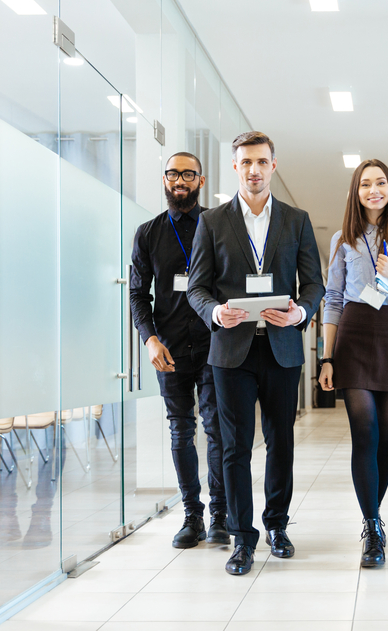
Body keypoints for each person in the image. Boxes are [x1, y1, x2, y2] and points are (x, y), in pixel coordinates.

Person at [187, 131, 324, 576]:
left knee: (281, 442)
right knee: (235, 447)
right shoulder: (212, 222)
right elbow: (196, 288)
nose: (254, 170)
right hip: (232, 351)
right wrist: (216, 311)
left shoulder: (296, 220)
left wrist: (301, 312)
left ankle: (277, 526)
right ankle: (242, 539)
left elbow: (314, 284)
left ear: (273, 165)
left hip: (282, 348)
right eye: (246, 162)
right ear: (235, 166)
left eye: (262, 161)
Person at [318, 159, 388, 568]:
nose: (373, 190)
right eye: (365, 184)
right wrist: (327, 357)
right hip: (355, 331)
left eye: (380, 183)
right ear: (356, 191)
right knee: (364, 431)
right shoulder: (343, 239)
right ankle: (372, 527)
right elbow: (333, 299)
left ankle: (373, 515)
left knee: (387, 437)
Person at [130, 151, 228, 549]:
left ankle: (220, 514)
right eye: (173, 174)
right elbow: (138, 294)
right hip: (168, 348)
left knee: (216, 429)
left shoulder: (218, 226)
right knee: (180, 429)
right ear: (165, 180)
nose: (180, 180)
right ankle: (192, 515)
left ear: (201, 181)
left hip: (213, 343)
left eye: (189, 174)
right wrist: (149, 339)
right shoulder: (148, 233)